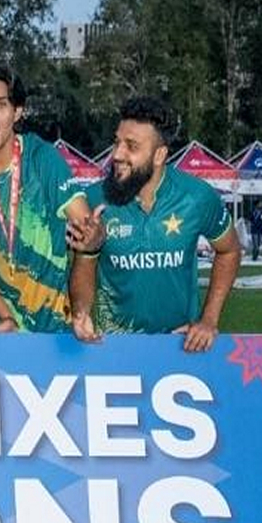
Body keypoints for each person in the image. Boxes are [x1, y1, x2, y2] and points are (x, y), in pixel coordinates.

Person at [68, 96, 241, 352]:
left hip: (179, 346)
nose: (117, 154)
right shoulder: (94, 200)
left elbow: (230, 250)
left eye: (131, 146)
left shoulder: (196, 197)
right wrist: (87, 253)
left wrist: (208, 319)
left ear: (160, 154)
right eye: (117, 143)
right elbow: (80, 288)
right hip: (115, 348)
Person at [0, 63, 92, 333]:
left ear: (17, 112)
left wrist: (91, 232)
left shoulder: (43, 159)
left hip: (53, 328)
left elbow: (83, 222)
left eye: (1, 105)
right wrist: (7, 317)